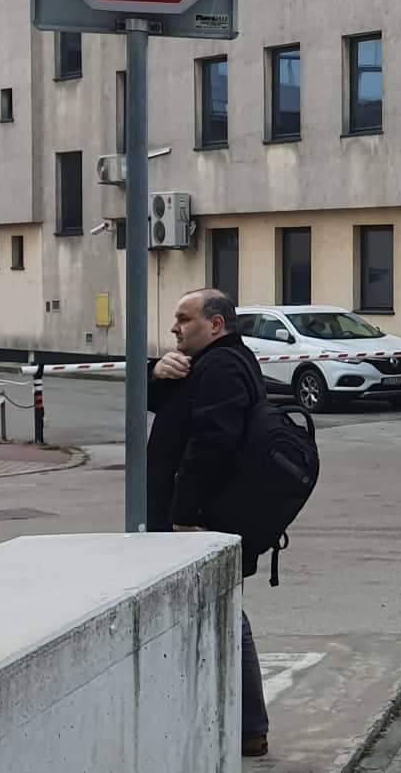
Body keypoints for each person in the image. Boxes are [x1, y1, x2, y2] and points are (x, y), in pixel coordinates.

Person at [150, 288, 272, 758]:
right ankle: (241, 726)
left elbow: (212, 445)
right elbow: (169, 409)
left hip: (201, 522)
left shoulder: (222, 367)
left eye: (184, 319)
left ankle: (248, 728)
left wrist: (185, 516)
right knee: (221, 613)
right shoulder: (211, 363)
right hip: (204, 518)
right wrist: (157, 373)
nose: (175, 328)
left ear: (216, 325)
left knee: (225, 615)